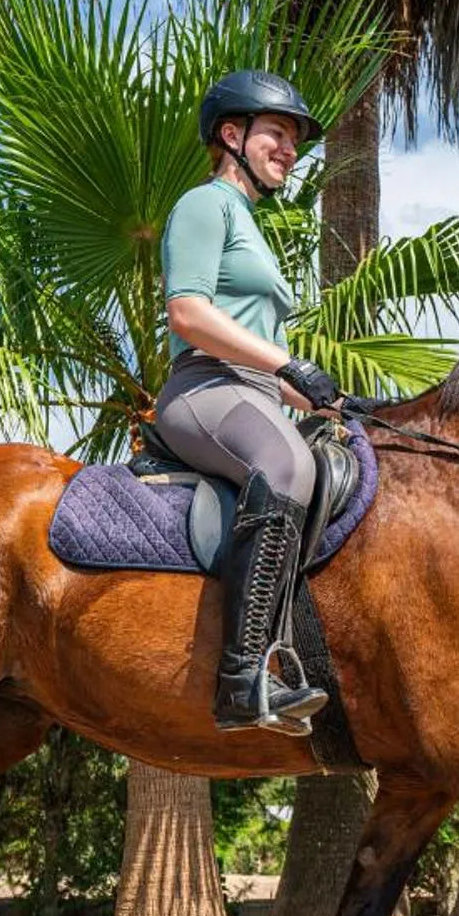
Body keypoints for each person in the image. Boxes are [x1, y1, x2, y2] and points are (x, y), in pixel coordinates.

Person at [155, 69, 347, 736]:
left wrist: (334, 401)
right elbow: (187, 312)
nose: (290, 150)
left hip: (255, 393)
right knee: (287, 467)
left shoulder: (252, 226)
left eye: (295, 140)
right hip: (205, 390)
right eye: (278, 133)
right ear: (231, 135)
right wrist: (285, 364)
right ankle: (242, 679)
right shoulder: (205, 205)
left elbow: (269, 360)